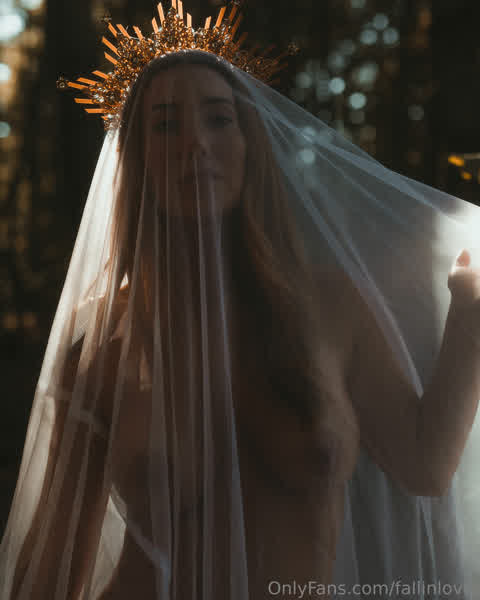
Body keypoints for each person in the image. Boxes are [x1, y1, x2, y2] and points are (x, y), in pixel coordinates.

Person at [2, 2, 480, 598]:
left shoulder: (332, 307)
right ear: (136, 158)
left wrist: (470, 308)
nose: (196, 144)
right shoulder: (104, 339)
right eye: (166, 125)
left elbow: (424, 465)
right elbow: (55, 559)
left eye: (219, 119)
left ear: (250, 144)